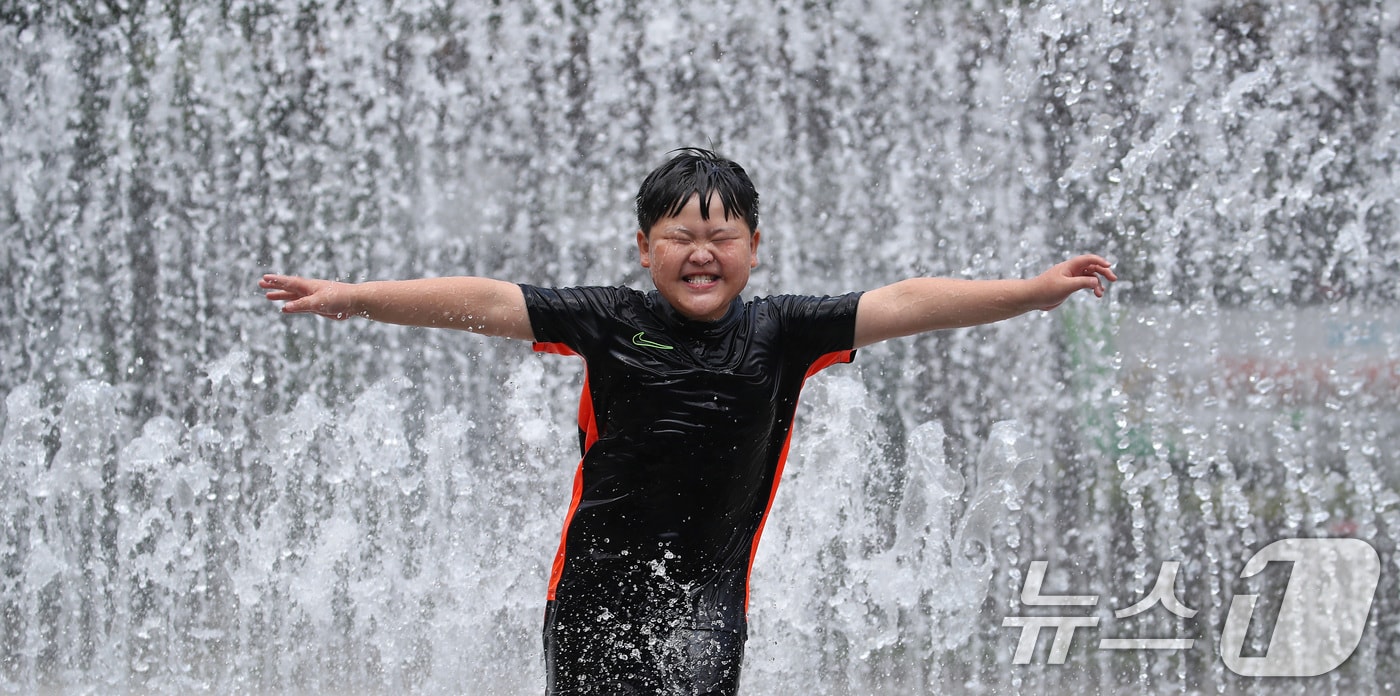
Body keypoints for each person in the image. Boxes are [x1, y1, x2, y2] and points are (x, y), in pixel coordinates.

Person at [260, 148, 1115, 695]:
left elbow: (910, 301)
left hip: (706, 599)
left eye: (721, 234)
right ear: (645, 248)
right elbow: (483, 299)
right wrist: (355, 299)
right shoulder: (603, 319)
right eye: (679, 235)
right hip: (592, 594)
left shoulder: (784, 332)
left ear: (753, 247)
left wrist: (1036, 290)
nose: (700, 252)